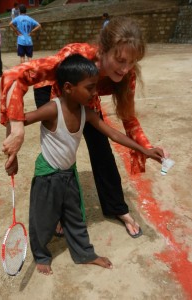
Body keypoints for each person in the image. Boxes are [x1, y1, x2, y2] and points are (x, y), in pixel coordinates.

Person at [0, 16, 168, 239]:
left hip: (88, 97)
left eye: (132, 62)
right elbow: (14, 76)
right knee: (60, 153)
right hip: (53, 90)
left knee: (102, 151)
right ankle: (58, 211)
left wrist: (146, 147)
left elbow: (128, 119)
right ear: (103, 50)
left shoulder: (128, 75)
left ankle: (117, 208)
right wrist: (16, 129)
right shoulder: (75, 55)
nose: (126, 68)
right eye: (120, 60)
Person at [20, 54, 164, 275]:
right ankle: (41, 255)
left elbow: (114, 134)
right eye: (90, 88)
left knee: (76, 218)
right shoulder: (52, 109)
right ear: (68, 87)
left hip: (68, 174)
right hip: (47, 176)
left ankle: (85, 254)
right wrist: (11, 152)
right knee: (43, 220)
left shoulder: (86, 113)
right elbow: (20, 120)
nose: (95, 92)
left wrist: (145, 150)